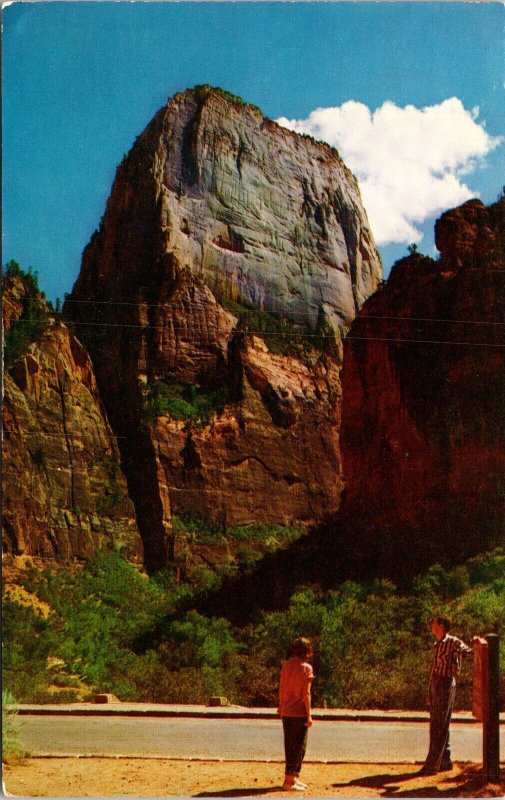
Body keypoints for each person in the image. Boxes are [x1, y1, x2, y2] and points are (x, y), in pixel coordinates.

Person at [419, 616, 473, 775]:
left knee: (438, 725)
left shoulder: (452, 641)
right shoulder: (438, 643)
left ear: (441, 625)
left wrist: (479, 643)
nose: (431, 626)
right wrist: (429, 692)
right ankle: (444, 760)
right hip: (436, 683)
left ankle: (432, 765)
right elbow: (434, 669)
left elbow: (469, 653)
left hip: (445, 683)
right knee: (439, 723)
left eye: (434, 623)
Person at [277, 637, 314, 791]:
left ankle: (293, 778)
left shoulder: (286, 665)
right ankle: (288, 781)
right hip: (299, 712)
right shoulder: (307, 668)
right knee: (299, 747)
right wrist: (309, 714)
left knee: (290, 746)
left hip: (286, 711)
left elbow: (282, 687)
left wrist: (280, 706)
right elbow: (306, 694)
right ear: (307, 650)